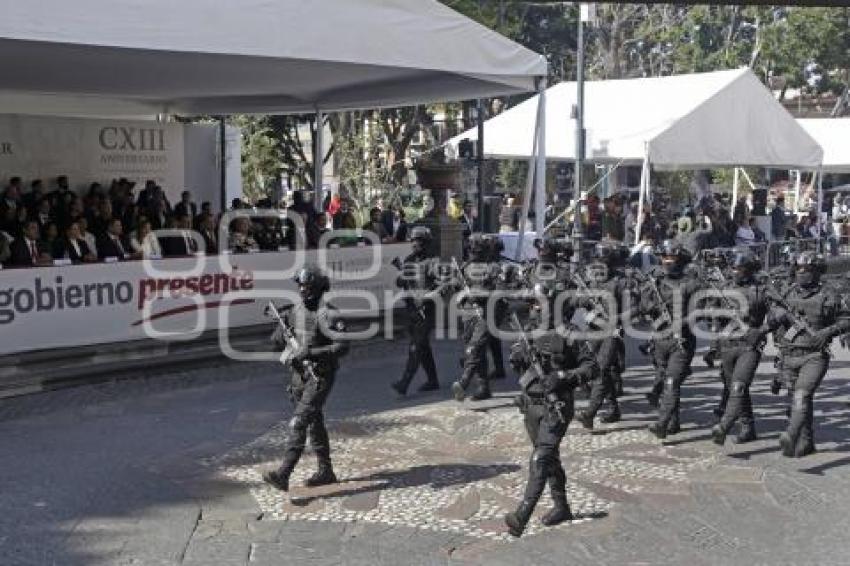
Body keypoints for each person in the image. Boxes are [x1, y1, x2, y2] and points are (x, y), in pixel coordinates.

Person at [503, 296, 598, 537]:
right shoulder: (529, 330)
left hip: (557, 406)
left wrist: (563, 376)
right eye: (533, 304)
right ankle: (562, 506)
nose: (536, 309)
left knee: (540, 459)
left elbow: (592, 368)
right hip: (531, 405)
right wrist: (517, 358)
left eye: (541, 304)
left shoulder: (572, 333)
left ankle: (521, 516)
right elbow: (518, 359)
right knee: (549, 458)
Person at [263, 266, 349, 492]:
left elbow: (342, 346)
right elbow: (274, 342)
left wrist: (310, 353)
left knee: (299, 421)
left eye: (307, 286)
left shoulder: (328, 314)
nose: (302, 289)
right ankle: (325, 471)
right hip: (298, 377)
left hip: (320, 375)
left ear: (319, 288)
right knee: (314, 422)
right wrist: (281, 331)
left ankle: (284, 474)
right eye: (300, 285)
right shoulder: (293, 311)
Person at [764, 252, 850, 457]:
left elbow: (846, 320)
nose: (802, 273)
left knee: (802, 395)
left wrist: (826, 332)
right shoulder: (787, 292)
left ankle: (791, 435)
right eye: (799, 270)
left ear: (817, 272)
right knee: (797, 399)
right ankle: (806, 441)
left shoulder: (830, 294)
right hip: (789, 354)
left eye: (807, 270)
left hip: (815, 355)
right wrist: (779, 315)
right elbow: (772, 317)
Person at [640, 240, 703, 439]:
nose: (667, 261)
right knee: (665, 380)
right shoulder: (655, 281)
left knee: (671, 383)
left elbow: (698, 313)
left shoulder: (691, 284)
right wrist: (649, 305)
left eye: (672, 257)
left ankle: (662, 423)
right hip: (660, 340)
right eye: (664, 257)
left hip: (681, 341)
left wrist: (680, 323)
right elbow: (643, 306)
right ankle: (673, 422)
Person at [709, 248, 772, 445]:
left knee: (739, 385)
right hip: (728, 344)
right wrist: (714, 343)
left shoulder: (761, 290)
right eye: (734, 267)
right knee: (734, 387)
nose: (736, 271)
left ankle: (725, 425)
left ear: (749, 269)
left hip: (749, 346)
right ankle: (748, 426)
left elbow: (780, 316)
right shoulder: (723, 288)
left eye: (740, 268)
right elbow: (714, 319)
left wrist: (761, 331)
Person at [576, 242, 633, 429]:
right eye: (597, 260)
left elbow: (632, 308)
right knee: (593, 368)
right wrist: (587, 302)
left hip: (611, 332)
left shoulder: (620, 282)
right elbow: (579, 300)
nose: (599, 263)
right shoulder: (592, 280)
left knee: (600, 370)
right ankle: (613, 407)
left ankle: (590, 413)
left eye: (603, 260)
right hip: (594, 330)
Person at [451, 234, 505, 401]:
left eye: (478, 250)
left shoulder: (494, 268)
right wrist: (458, 289)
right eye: (473, 250)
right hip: (468, 314)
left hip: (486, 313)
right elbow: (456, 286)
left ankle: (463, 382)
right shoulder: (465, 266)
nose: (475, 254)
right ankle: (483, 387)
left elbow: (499, 291)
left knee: (474, 348)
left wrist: (477, 294)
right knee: (476, 351)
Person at [391, 227, 441, 396]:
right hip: (411, 310)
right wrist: (402, 278)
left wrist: (430, 295)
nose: (414, 244)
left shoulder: (433, 262)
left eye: (418, 241)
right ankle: (433, 380)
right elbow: (401, 283)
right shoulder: (408, 260)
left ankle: (405, 382)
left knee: (416, 346)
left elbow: (444, 285)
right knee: (423, 346)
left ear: (425, 243)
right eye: (413, 241)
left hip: (426, 310)